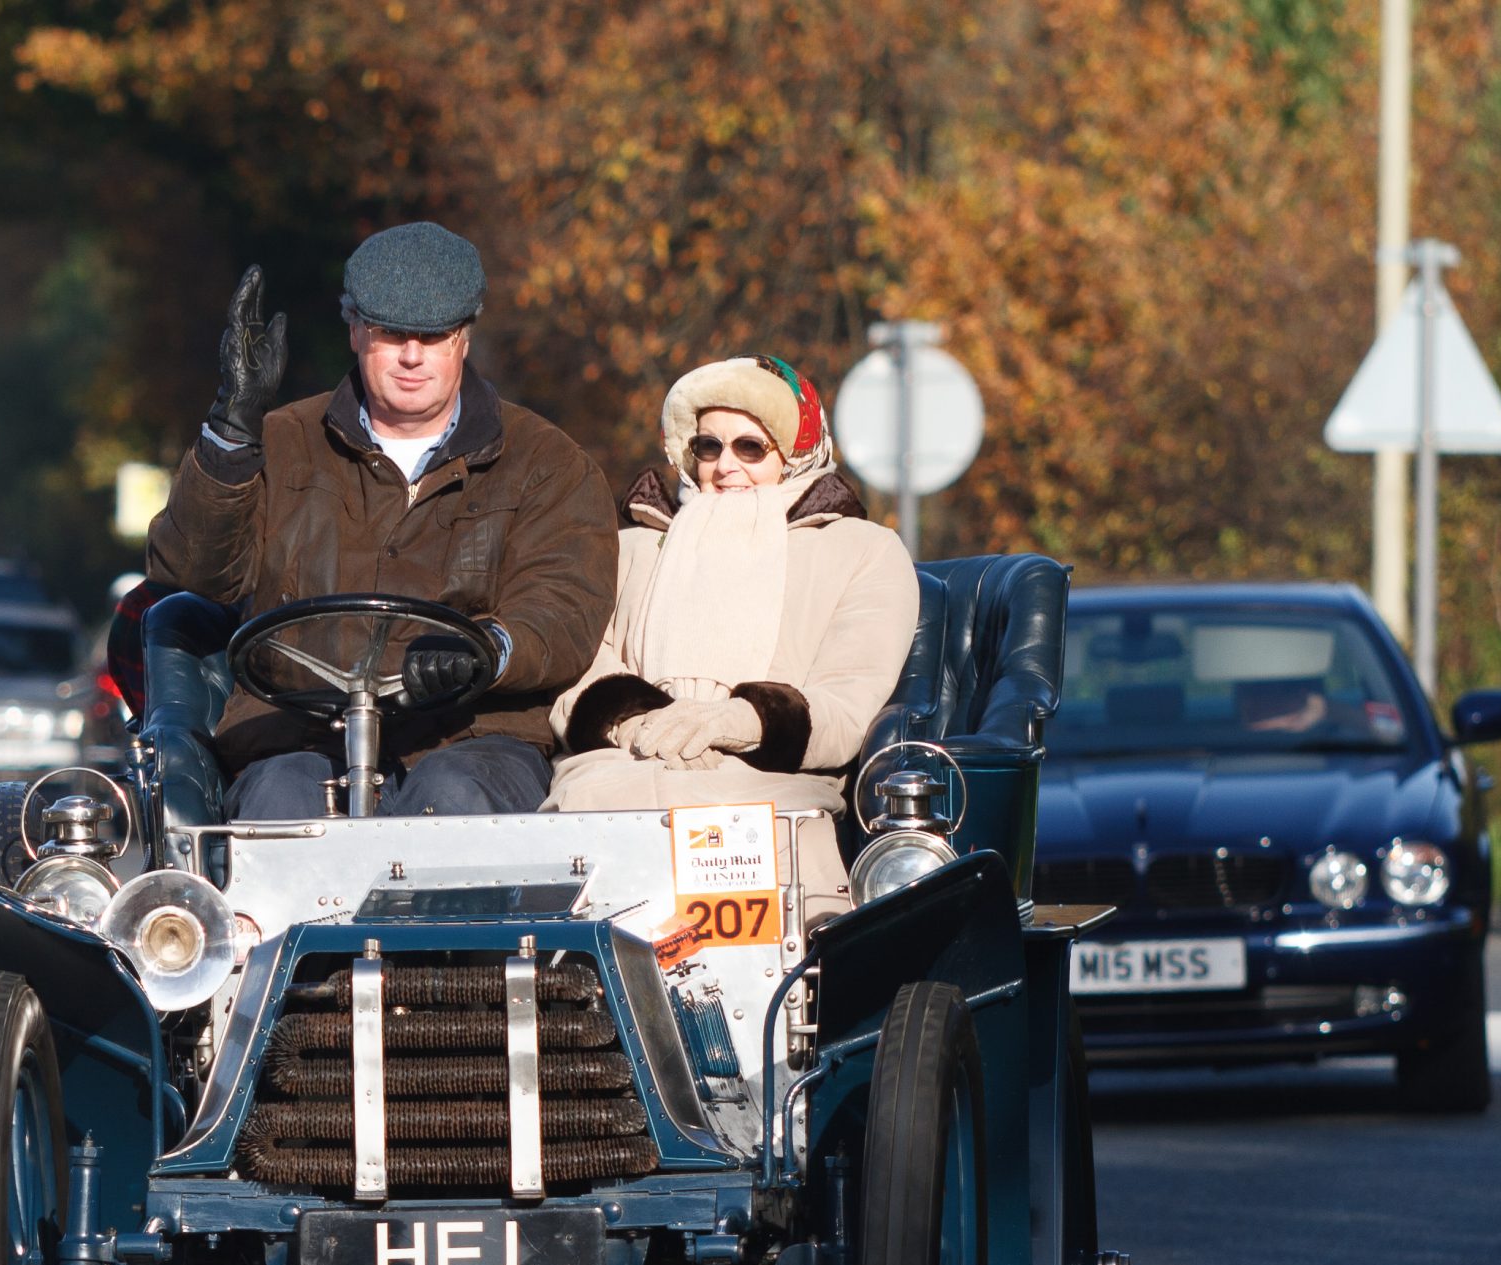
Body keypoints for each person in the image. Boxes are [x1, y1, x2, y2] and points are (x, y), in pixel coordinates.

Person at [145, 222, 618, 817]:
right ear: (355, 329)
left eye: (434, 334)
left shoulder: (546, 462)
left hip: (472, 737)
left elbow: (564, 606)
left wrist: (486, 649)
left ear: (464, 336)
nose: (413, 355)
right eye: (392, 332)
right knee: (282, 804)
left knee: (453, 796)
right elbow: (191, 572)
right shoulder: (280, 441)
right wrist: (230, 434)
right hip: (297, 731)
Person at [546, 356, 920, 923]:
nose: (726, 467)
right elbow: (578, 664)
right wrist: (629, 718)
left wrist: (739, 722)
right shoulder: (633, 548)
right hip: (619, 782)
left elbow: (848, 701)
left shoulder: (863, 551)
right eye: (708, 447)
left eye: (750, 448)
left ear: (795, 453)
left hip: (764, 793)